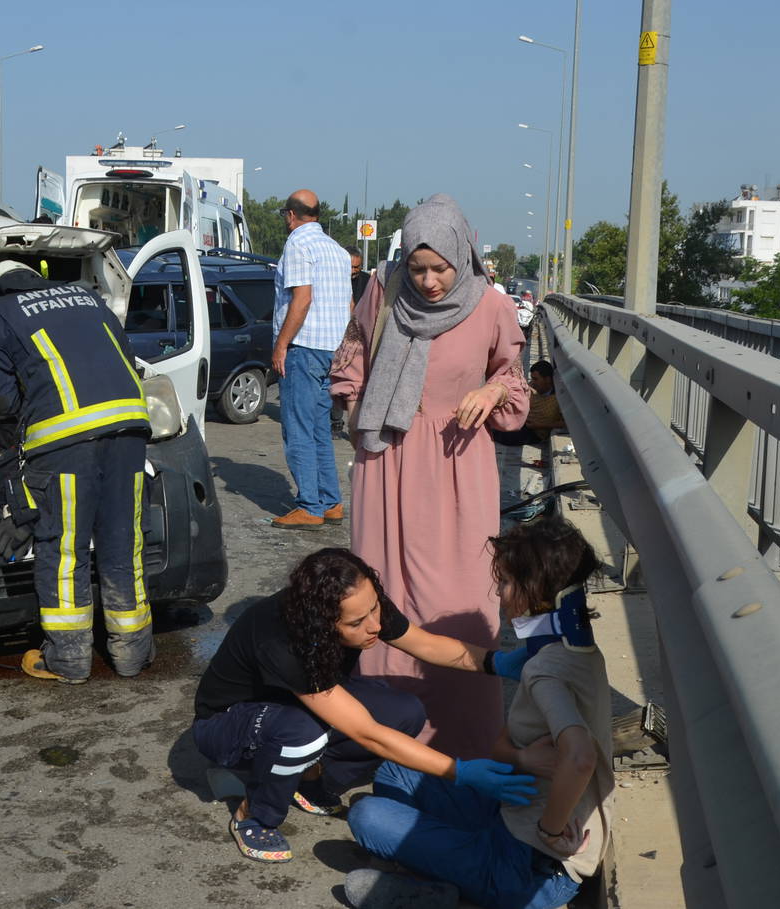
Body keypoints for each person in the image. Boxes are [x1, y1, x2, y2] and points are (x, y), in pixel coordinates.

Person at [330, 194, 530, 758]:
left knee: (459, 597)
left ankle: (464, 740)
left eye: (439, 268)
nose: (428, 281)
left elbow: (514, 382)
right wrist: (358, 416)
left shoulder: (491, 305)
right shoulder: (383, 289)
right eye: (417, 268)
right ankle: (383, 739)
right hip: (387, 463)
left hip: (457, 468)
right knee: (380, 594)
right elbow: (351, 359)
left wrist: (491, 391)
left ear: (461, 255)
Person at [193, 548, 536, 864]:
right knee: (303, 734)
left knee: (404, 712)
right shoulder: (282, 643)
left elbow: (426, 645)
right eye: (356, 623)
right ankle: (254, 814)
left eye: (374, 608)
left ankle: (306, 781)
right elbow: (367, 733)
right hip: (228, 724)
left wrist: (497, 662)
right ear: (321, 623)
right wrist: (460, 772)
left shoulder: (361, 601)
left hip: (294, 702)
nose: (375, 625)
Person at [345, 517, 612, 909]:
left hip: (531, 869)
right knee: (392, 773)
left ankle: (449, 890)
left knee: (367, 816)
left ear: (535, 589)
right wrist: (524, 758)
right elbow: (503, 746)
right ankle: (449, 872)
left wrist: (551, 833)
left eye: (506, 582)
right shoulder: (576, 650)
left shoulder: (545, 670)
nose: (499, 593)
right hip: (509, 815)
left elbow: (580, 757)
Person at [0, 261, 153, 683]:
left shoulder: (0, 314)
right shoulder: (88, 298)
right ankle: (132, 653)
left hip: (66, 442)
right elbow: (125, 359)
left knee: (65, 548)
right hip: (129, 428)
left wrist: (27, 407)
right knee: (125, 543)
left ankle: (67, 659)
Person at [271, 190, 351, 529]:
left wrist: (281, 345)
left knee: (298, 429)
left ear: (291, 216)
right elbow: (348, 305)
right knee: (319, 430)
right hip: (332, 349)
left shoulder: (297, 245)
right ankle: (330, 502)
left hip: (303, 348)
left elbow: (301, 300)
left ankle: (309, 506)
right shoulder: (338, 251)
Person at [331, 248, 372, 438]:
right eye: (351, 267)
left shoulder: (368, 281)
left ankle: (354, 424)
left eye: (357, 267)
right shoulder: (335, 279)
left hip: (360, 338)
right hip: (338, 336)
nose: (354, 271)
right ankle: (336, 422)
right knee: (340, 381)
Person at [492, 361, 566, 447]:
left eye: (536, 379)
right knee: (498, 422)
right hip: (523, 423)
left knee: (506, 436)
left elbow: (564, 423)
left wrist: (539, 425)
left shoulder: (559, 398)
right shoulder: (531, 388)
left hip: (536, 433)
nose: (533, 382)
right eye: (532, 379)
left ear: (547, 379)